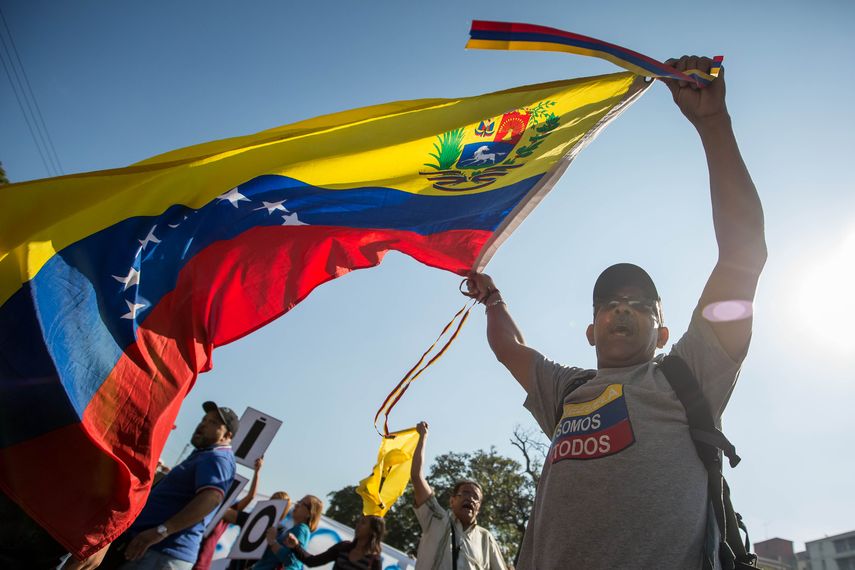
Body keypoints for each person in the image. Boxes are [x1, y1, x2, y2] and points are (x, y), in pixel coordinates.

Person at [464, 56, 766, 569]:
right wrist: (493, 300)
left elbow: (744, 253)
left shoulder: (689, 374)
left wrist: (714, 124)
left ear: (663, 331)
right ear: (591, 330)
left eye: (641, 306)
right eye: (609, 304)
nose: (622, 310)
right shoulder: (566, 391)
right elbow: (509, 348)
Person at [103, 401, 239, 569]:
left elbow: (212, 498)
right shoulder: (205, 455)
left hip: (163, 554)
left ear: (227, 436)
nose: (203, 424)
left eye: (213, 423)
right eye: (204, 419)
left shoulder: (218, 458)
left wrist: (162, 531)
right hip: (154, 551)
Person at [410, 421, 506, 570]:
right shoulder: (435, 519)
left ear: (479, 508)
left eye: (476, 497)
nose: (470, 499)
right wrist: (423, 436)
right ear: (452, 501)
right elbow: (416, 476)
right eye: (465, 493)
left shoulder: (486, 539)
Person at [193, 456, 266, 570]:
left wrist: (257, 472)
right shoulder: (198, 501)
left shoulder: (226, 511)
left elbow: (250, 497)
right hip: (184, 554)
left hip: (200, 564)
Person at [284, 515, 385, 570]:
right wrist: (296, 546)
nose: (358, 525)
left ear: (373, 530)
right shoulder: (343, 547)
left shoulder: (374, 561)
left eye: (363, 523)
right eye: (359, 521)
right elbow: (312, 561)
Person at [251, 494, 323, 570]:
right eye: (299, 502)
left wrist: (272, 542)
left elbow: (293, 562)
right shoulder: (295, 528)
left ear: (310, 513)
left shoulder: (301, 529)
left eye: (302, 504)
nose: (297, 505)